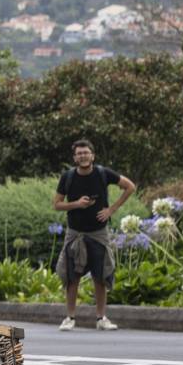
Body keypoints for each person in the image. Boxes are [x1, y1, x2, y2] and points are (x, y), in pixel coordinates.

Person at [53, 139, 136, 331]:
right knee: (72, 276)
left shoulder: (103, 173)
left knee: (101, 275)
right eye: (79, 153)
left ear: (92, 155)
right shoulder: (68, 177)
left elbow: (130, 186)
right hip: (75, 233)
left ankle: (101, 318)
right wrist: (76, 204)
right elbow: (57, 204)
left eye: (86, 152)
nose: (83, 156)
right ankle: (70, 317)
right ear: (74, 157)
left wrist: (111, 209)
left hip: (99, 232)